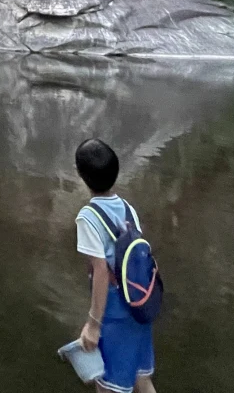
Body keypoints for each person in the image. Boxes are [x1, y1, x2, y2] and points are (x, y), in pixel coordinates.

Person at [75, 138, 157, 393]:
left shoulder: (88, 218)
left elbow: (100, 271)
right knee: (141, 378)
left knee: (107, 386)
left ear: (82, 176)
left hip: (115, 316)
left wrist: (93, 324)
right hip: (139, 306)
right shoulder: (128, 209)